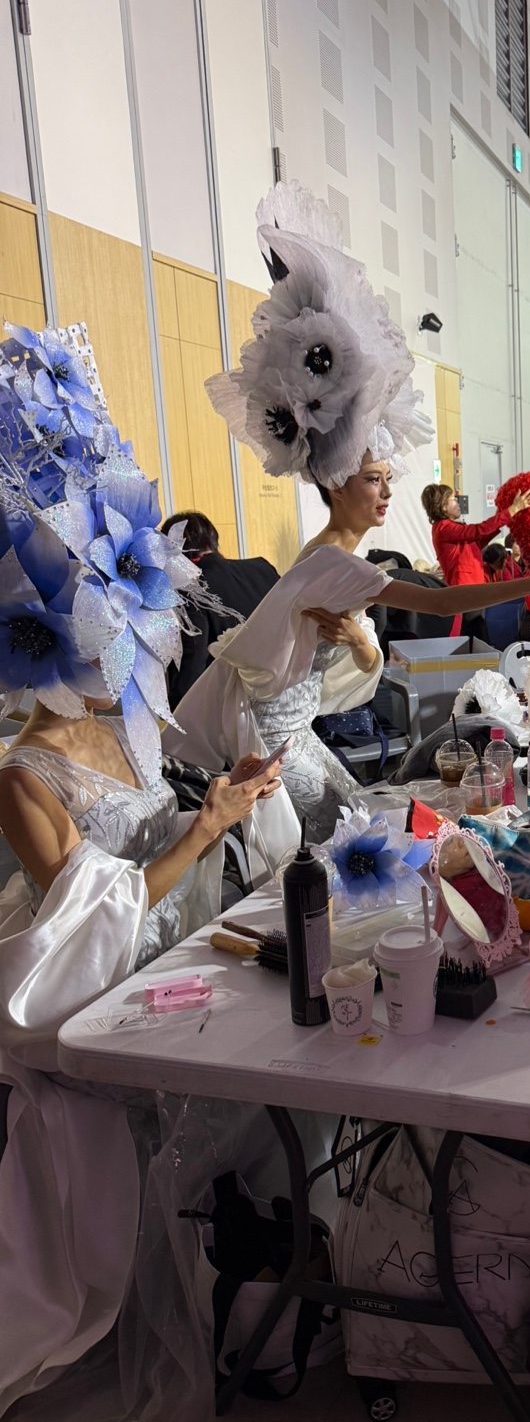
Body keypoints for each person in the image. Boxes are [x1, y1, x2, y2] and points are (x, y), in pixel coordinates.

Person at [0, 321, 281, 1414]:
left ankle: (259, 1279)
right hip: (77, 1004)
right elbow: (85, 921)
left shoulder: (126, 720)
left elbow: (160, 845)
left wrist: (226, 802)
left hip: (159, 962)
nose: (118, 627)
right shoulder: (22, 775)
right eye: (96, 609)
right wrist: (203, 833)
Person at [168, 183, 530, 867]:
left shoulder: (328, 558)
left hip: (294, 734)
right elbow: (443, 604)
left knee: (360, 833)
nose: (386, 492)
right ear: (337, 483)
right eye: (374, 479)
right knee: (353, 843)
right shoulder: (333, 561)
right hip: (278, 743)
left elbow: (353, 658)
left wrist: (358, 642)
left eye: (389, 478)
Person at [160, 510, 279, 708]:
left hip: (236, 709)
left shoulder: (192, 589)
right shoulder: (262, 568)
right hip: (290, 697)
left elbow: (191, 669)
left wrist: (172, 713)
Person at [422, 482, 530, 586]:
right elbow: (478, 530)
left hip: (473, 585)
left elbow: (478, 540)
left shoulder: (447, 528)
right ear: (443, 506)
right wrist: (513, 510)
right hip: (465, 587)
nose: (458, 503)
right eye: (454, 499)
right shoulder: (443, 528)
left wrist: (503, 515)